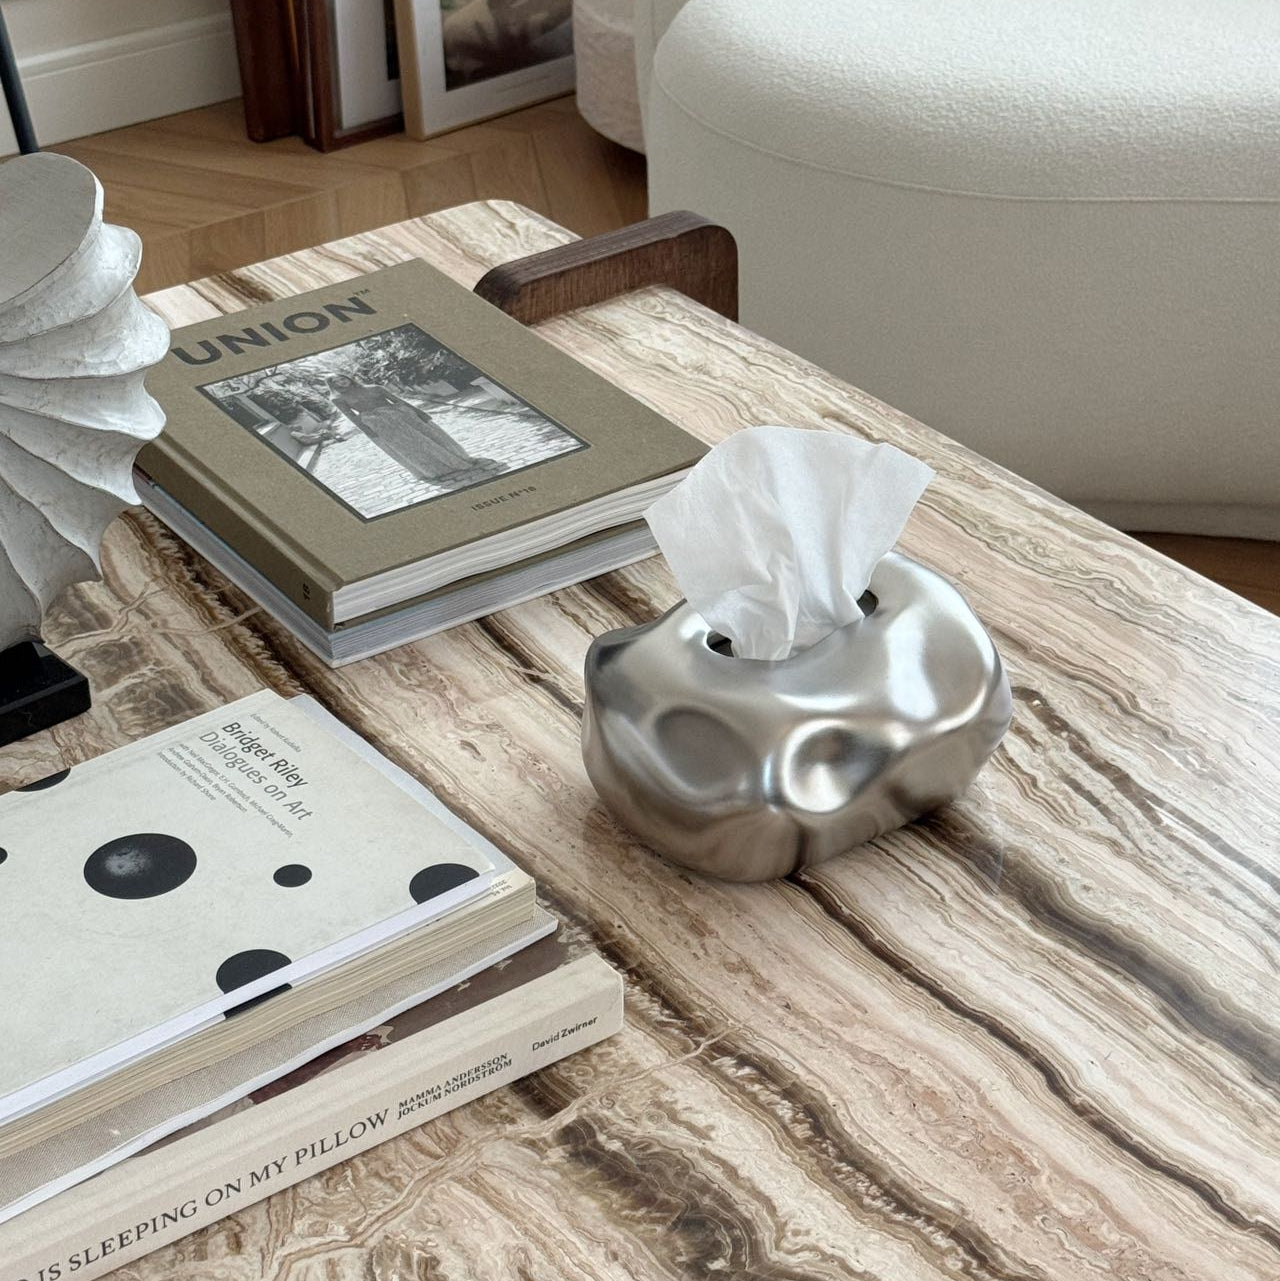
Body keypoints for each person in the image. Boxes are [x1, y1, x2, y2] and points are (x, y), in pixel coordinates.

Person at [325, 374, 500, 485]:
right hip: (379, 425)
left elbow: (398, 400)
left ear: (348, 378)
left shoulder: (374, 388)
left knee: (429, 437)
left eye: (342, 378)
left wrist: (420, 412)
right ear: (332, 386)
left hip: (403, 416)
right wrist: (370, 433)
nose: (341, 382)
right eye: (336, 382)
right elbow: (352, 417)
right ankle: (436, 469)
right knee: (410, 446)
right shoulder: (338, 399)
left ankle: (459, 458)